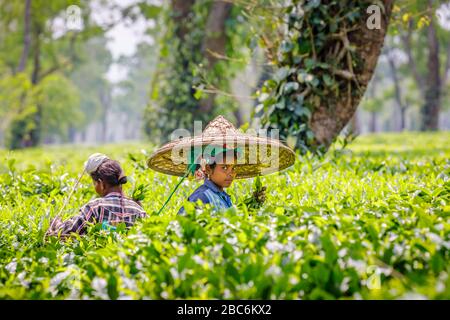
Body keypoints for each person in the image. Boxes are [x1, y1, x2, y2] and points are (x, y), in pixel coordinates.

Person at [46, 156, 146, 238]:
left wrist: (56, 223)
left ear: (101, 184)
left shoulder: (95, 207)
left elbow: (67, 231)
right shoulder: (139, 209)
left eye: (95, 183)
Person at [178, 148, 238, 214]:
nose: (231, 174)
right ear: (208, 169)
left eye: (233, 168)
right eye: (224, 168)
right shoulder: (202, 196)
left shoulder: (224, 197)